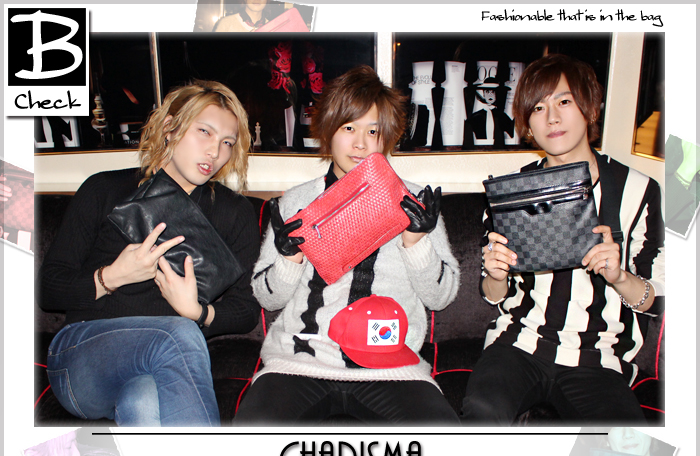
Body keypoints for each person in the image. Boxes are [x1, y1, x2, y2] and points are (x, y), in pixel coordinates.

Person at [234, 65, 461, 425]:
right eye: (349, 128)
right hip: (299, 362)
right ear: (329, 130)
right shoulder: (297, 202)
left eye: (373, 130)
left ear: (387, 137)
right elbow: (268, 299)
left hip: (392, 367)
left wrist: (416, 242)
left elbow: (441, 298)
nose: (360, 143)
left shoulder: (416, 202)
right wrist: (289, 260)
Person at [37, 80, 260, 426]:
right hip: (82, 357)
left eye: (227, 142)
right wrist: (111, 277)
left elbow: (246, 310)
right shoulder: (104, 189)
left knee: (143, 400)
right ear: (170, 128)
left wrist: (197, 311)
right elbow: (49, 288)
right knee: (177, 333)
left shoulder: (234, 212)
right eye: (204, 132)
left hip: (159, 368)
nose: (214, 151)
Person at [461, 54, 665, 423]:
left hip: (598, 360)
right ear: (527, 123)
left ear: (590, 108)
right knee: (481, 414)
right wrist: (495, 274)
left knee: (626, 449)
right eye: (538, 108)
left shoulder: (638, 191)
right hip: (519, 345)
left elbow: (657, 300)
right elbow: (492, 296)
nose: (551, 118)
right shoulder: (513, 192)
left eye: (564, 101)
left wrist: (620, 276)